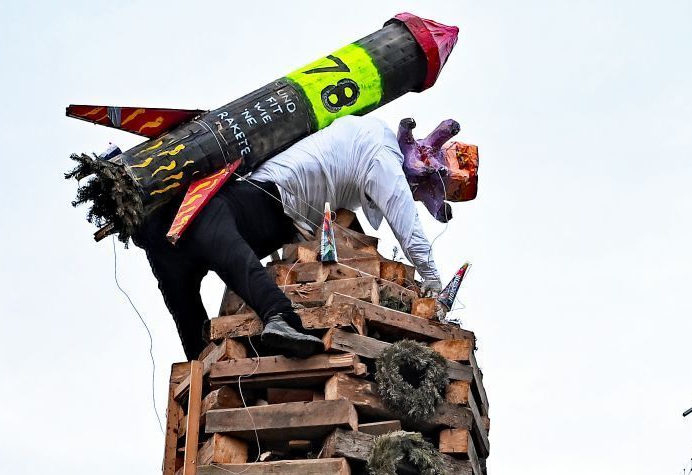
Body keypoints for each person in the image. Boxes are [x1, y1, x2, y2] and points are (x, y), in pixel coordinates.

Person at [134, 113, 474, 358]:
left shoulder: (359, 133)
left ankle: (200, 367)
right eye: (423, 187)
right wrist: (430, 278)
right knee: (235, 263)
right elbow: (405, 219)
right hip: (258, 205)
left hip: (171, 235)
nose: (415, 193)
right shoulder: (381, 152)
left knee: (186, 308)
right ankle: (279, 318)